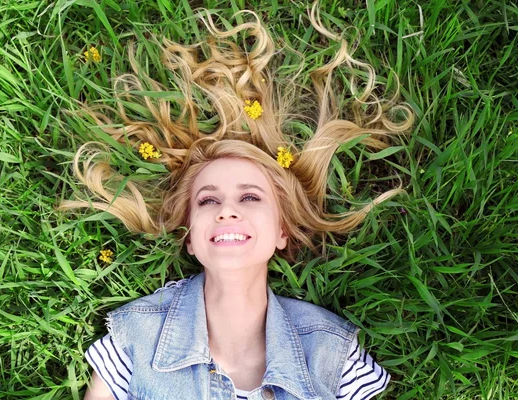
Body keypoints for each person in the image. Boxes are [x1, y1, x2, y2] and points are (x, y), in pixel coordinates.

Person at [57, 2, 414, 399]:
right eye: (208, 202)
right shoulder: (132, 342)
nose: (228, 210)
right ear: (190, 237)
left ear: (281, 230)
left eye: (250, 196)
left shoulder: (335, 357)